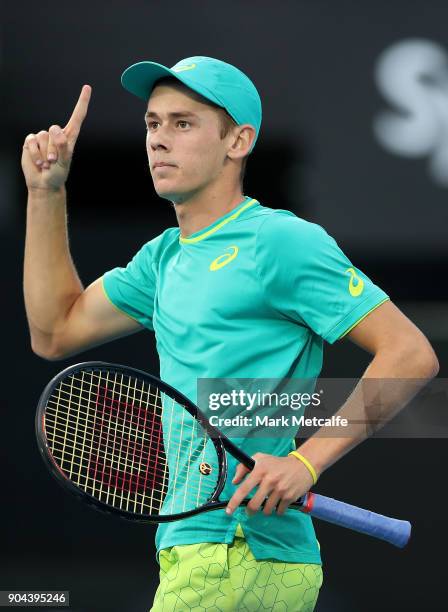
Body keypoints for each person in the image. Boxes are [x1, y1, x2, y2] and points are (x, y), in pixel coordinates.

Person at [22, 56, 439, 611]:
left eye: (183, 123)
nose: (159, 141)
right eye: (153, 124)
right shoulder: (162, 260)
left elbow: (411, 353)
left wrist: (306, 463)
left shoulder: (281, 242)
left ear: (238, 141)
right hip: (201, 556)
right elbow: (54, 331)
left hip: (240, 554)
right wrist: (46, 193)